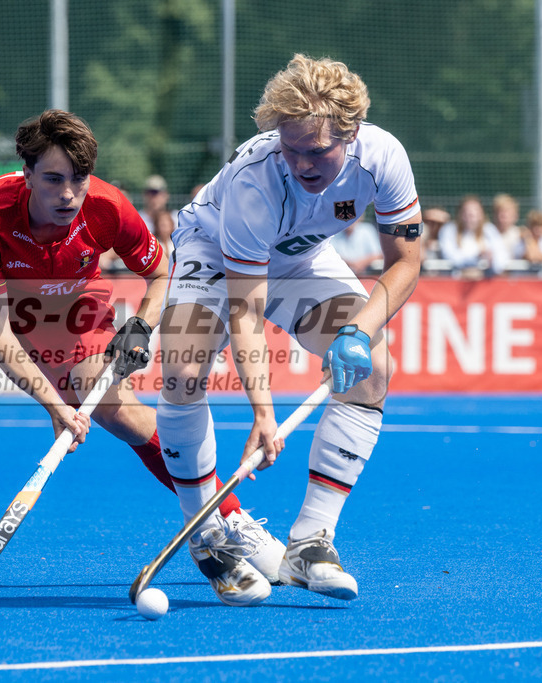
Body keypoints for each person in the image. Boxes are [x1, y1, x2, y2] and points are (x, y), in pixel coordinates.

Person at [0, 110, 283, 595]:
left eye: (77, 179)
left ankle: (231, 522)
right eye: (53, 179)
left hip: (72, 308)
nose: (67, 194)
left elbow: (163, 272)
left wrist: (141, 324)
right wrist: (55, 406)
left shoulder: (107, 207)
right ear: (28, 174)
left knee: (124, 417)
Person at [156, 54, 423, 606]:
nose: (302, 163)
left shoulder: (384, 157)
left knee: (372, 369)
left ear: (350, 134)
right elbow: (246, 313)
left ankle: (310, 542)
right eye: (291, 148)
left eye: (317, 150)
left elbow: (406, 263)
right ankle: (207, 534)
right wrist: (262, 412)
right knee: (183, 370)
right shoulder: (256, 185)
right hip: (213, 251)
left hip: (301, 259)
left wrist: (359, 330)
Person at [438, 195, 509, 278]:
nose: (471, 215)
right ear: (460, 213)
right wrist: (476, 257)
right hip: (455, 280)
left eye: (475, 211)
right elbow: (450, 257)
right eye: (467, 211)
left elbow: (502, 257)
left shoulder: (489, 230)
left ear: (481, 214)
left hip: (485, 281)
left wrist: (492, 259)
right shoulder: (449, 230)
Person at [491, 193, 524, 260]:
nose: (503, 215)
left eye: (507, 211)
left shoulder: (521, 235)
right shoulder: (488, 234)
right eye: (500, 211)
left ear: (515, 215)